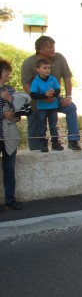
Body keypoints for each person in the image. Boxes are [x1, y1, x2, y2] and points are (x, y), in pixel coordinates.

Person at [21, 35, 81, 151]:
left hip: (54, 98)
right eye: (50, 47)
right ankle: (35, 150)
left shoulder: (59, 58)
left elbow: (67, 77)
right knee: (35, 127)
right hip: (36, 101)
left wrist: (68, 96)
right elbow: (25, 84)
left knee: (71, 107)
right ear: (40, 50)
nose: (53, 49)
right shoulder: (29, 63)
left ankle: (73, 140)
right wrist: (40, 98)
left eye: (53, 46)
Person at [0, 59, 25, 211]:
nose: (9, 73)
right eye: (6, 71)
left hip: (9, 135)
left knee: (9, 168)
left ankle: (10, 199)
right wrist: (3, 114)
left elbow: (20, 112)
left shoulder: (10, 90)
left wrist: (13, 113)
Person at [29, 59, 62, 152]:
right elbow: (33, 95)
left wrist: (53, 94)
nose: (47, 70)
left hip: (53, 107)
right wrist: (45, 95)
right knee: (42, 126)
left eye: (49, 68)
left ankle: (55, 142)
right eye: (45, 68)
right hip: (42, 108)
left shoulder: (53, 79)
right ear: (38, 69)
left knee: (54, 126)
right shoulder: (36, 81)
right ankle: (43, 144)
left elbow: (58, 90)